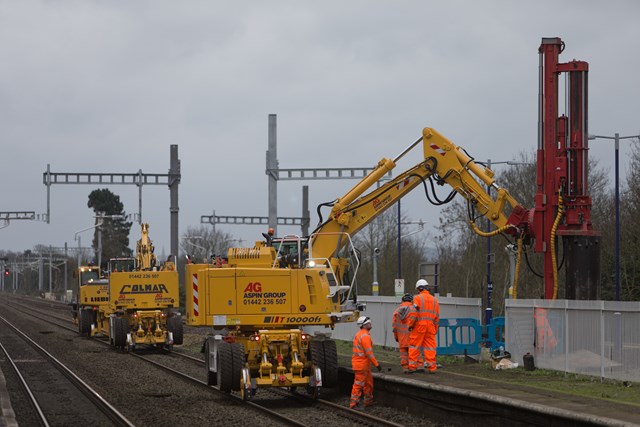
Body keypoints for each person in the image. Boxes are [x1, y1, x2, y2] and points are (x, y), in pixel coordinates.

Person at [408, 279, 440, 374]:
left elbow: (414, 314)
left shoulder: (417, 298)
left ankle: (412, 367)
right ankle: (432, 368)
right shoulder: (435, 300)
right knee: (430, 347)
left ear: (419, 288)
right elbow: (437, 317)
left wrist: (410, 325)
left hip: (419, 326)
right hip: (430, 326)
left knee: (414, 346)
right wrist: (435, 329)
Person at [349, 316, 382, 409]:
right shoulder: (365, 336)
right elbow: (369, 353)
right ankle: (353, 404)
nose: (370, 324)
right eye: (368, 323)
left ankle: (368, 401)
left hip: (363, 365)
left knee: (368, 384)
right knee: (358, 385)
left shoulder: (360, 334)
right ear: (364, 325)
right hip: (361, 365)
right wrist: (377, 364)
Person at [392, 293, 416, 373]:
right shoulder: (413, 309)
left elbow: (394, 326)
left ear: (402, 300)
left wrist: (396, 336)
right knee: (413, 352)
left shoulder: (397, 311)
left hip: (401, 337)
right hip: (412, 335)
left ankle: (405, 368)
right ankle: (413, 367)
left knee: (403, 354)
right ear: (411, 300)